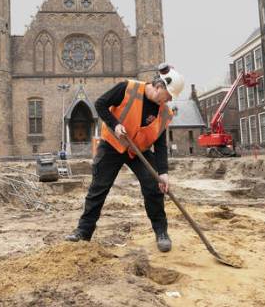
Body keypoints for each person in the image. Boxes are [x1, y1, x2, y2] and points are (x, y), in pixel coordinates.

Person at [65, 63, 185, 252]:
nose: (168, 101)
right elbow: (100, 104)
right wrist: (115, 125)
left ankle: (161, 232)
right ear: (159, 86)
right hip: (112, 144)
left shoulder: (164, 113)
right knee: (98, 188)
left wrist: (163, 173)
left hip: (139, 151)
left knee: (153, 187)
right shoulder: (127, 88)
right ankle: (83, 231)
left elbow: (160, 146)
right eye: (168, 96)